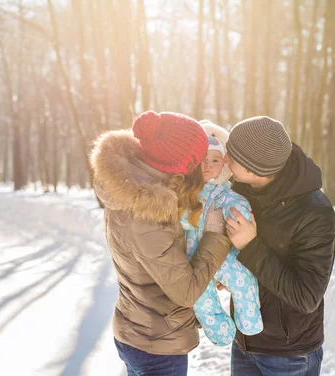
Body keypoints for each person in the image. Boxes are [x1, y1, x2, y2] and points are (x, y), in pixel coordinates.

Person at [90, 111, 232, 376]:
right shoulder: (149, 216)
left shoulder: (129, 183)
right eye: (198, 159)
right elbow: (186, 291)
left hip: (136, 331)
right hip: (156, 349)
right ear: (183, 165)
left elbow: (158, 265)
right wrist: (217, 234)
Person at [222, 116, 335, 376]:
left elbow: (306, 297)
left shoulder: (315, 212)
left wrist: (251, 246)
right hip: (244, 340)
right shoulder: (241, 190)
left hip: (288, 354)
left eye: (233, 156)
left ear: (255, 169)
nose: (225, 160)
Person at [180, 120, 263, 347]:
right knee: (200, 296)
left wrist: (239, 214)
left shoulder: (227, 193)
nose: (207, 166)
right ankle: (220, 330)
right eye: (202, 161)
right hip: (195, 256)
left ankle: (249, 321)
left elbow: (237, 206)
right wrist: (190, 217)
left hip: (225, 255)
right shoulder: (188, 194)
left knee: (243, 279)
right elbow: (181, 216)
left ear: (224, 166)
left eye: (215, 160)